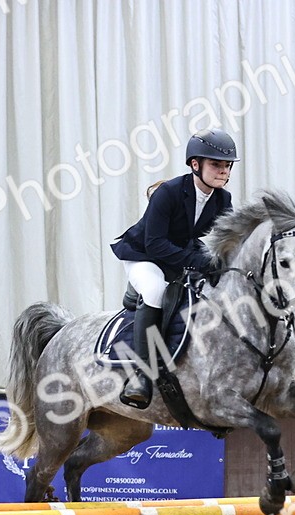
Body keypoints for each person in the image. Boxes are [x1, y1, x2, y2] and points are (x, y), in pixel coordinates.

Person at [110, 128, 238, 408]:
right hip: (144, 255)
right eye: (216, 164)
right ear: (195, 164)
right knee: (155, 290)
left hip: (178, 256)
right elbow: (155, 244)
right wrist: (199, 261)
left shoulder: (223, 200)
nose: (223, 171)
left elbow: (219, 241)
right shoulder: (168, 193)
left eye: (227, 165)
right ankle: (140, 377)